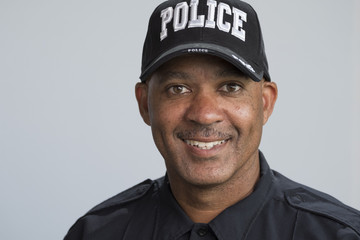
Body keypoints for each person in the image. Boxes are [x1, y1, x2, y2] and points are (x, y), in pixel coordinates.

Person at [64, 0, 360, 239]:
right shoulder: (96, 233)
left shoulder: (337, 234)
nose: (204, 114)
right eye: (178, 88)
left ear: (265, 102)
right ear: (145, 104)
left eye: (230, 87)